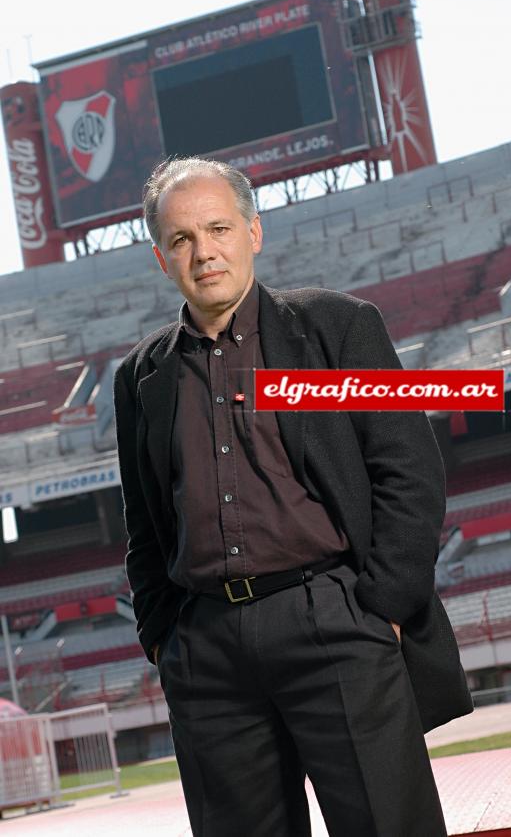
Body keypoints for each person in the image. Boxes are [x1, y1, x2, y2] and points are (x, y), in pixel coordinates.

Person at [113, 157, 473, 837]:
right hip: (207, 647)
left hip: (335, 620)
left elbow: (410, 468)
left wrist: (382, 608)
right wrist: (164, 637)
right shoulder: (141, 377)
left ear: (253, 231)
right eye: (182, 239)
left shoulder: (337, 327)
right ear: (162, 259)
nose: (203, 250)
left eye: (217, 227)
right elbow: (147, 527)